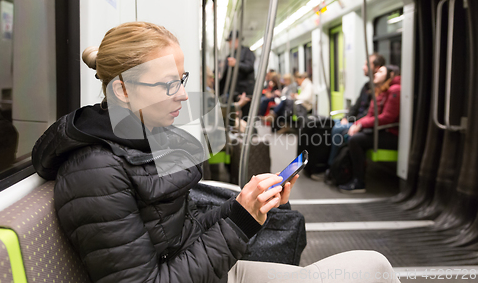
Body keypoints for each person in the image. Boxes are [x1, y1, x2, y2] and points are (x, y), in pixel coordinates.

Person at [32, 22, 400, 283]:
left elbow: (182, 228)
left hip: (205, 269)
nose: (181, 95)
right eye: (168, 84)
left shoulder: (148, 137)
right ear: (123, 92)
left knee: (375, 265)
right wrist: (241, 222)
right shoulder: (97, 171)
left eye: (182, 80)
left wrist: (244, 205)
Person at [312, 53, 386, 181]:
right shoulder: (367, 86)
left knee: (338, 129)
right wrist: (346, 117)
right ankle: (320, 164)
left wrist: (352, 121)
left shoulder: (380, 89)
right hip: (355, 120)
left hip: (363, 124)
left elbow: (370, 113)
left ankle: (331, 168)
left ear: (376, 67)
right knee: (326, 124)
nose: (363, 67)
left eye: (366, 64)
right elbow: (355, 107)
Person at [339, 65, 401, 193]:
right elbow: (370, 115)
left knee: (355, 140)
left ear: (390, 75)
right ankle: (342, 173)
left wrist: (361, 125)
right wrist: (357, 124)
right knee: (346, 133)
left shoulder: (395, 90)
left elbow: (387, 118)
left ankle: (359, 181)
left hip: (391, 133)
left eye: (380, 72)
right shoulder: (381, 90)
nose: (376, 73)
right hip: (381, 130)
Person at [219, 30, 256, 119]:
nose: (230, 44)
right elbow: (225, 77)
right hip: (233, 92)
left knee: (246, 117)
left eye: (231, 41)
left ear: (237, 40)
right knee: (234, 116)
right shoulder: (230, 55)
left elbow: (249, 67)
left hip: (245, 92)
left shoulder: (247, 52)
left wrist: (236, 63)